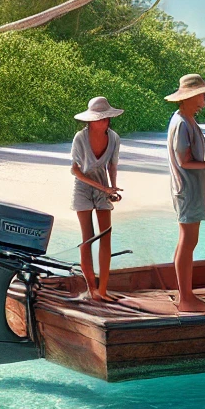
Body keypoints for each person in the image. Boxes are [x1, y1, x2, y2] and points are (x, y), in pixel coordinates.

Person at [166, 74, 205, 313]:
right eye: (203, 95)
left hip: (189, 188)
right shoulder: (182, 122)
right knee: (188, 240)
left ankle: (183, 293)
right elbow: (185, 161)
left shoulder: (187, 119)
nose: (204, 99)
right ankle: (186, 299)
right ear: (191, 96)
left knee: (186, 240)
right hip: (187, 189)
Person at [71, 96, 124, 301]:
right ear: (90, 121)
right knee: (88, 238)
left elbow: (112, 166)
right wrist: (103, 187)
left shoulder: (114, 138)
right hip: (83, 186)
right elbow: (75, 170)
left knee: (106, 236)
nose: (103, 121)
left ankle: (102, 291)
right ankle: (91, 288)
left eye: (105, 118)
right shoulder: (80, 138)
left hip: (102, 184)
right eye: (98, 118)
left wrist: (111, 188)